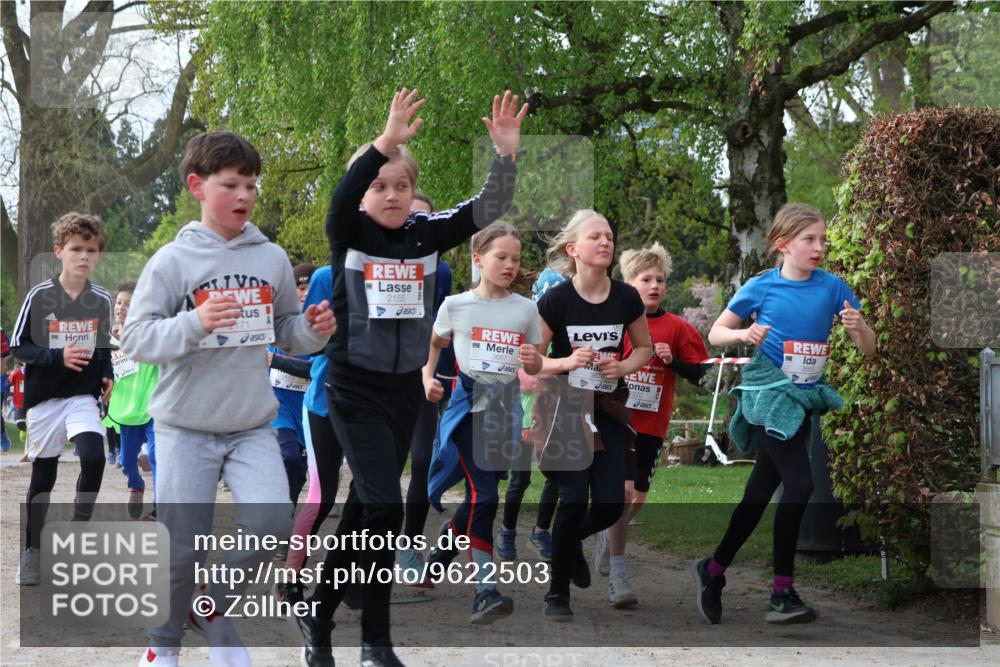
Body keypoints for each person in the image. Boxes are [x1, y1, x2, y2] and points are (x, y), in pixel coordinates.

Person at [297, 88, 525, 667]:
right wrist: (385, 142)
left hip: (403, 392)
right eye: (380, 185)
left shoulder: (426, 238)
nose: (392, 195)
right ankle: (375, 639)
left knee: (365, 509)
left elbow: (484, 207)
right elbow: (344, 196)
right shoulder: (349, 234)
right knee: (388, 508)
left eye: (402, 185)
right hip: (352, 386)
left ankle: (319, 613)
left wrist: (506, 157)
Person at [124, 130, 335, 667]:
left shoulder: (271, 257)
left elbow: (287, 330)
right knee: (180, 548)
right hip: (184, 426)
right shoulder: (172, 261)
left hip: (250, 425)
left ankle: (209, 606)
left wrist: (314, 330)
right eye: (231, 184)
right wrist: (194, 322)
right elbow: (137, 339)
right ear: (197, 186)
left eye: (251, 185)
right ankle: (162, 647)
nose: (244, 195)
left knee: (271, 527)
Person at [692, 203, 876, 626]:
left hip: (804, 397)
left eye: (823, 240)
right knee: (800, 482)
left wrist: (858, 328)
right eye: (809, 239)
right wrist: (744, 332)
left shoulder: (834, 288)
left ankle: (713, 570)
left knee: (758, 495)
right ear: (782, 245)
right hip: (769, 394)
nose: (819, 247)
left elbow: (869, 348)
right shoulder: (763, 287)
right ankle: (781, 592)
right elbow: (715, 332)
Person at [533, 209, 652, 621]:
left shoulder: (626, 297)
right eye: (595, 237)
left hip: (606, 408)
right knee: (571, 497)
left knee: (607, 506)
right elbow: (530, 360)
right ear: (573, 249)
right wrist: (565, 362)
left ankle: (566, 545)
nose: (606, 242)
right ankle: (557, 593)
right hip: (565, 408)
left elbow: (643, 348)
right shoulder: (556, 300)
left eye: (609, 236)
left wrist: (622, 367)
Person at [424, 222, 542, 623]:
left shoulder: (526, 310)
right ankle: (485, 592)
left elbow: (536, 361)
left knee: (481, 496)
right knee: (486, 496)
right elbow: (437, 343)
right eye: (501, 257)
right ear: (478, 259)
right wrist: (428, 376)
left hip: (504, 413)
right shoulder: (456, 306)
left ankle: (442, 549)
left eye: (516, 258)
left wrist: (538, 366)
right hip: (467, 412)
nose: (510, 265)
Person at [591, 242, 708, 607]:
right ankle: (620, 573)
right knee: (623, 494)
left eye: (660, 279)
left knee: (637, 497)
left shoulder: (677, 327)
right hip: (619, 423)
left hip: (653, 427)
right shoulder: (615, 323)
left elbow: (700, 373)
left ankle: (607, 535)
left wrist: (672, 363)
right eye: (646, 279)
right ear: (629, 283)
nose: (654, 285)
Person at [11, 212, 115, 585]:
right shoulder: (40, 297)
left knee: (94, 457)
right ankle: (32, 551)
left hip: (81, 397)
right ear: (59, 251)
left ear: (98, 255)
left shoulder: (101, 299)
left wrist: (107, 373)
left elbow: (103, 345)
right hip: (44, 401)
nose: (83, 256)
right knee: (44, 478)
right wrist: (58, 356)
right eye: (76, 249)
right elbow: (18, 347)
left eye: (91, 250)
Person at [397, 190, 456, 585]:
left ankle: (410, 543)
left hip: (424, 375)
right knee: (381, 466)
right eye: (410, 217)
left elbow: (443, 329)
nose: (417, 227)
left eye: (425, 219)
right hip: (379, 373)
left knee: (421, 460)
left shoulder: (444, 272)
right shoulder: (373, 261)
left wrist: (441, 376)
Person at [496, 269, 562, 562]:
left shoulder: (563, 331)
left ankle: (540, 531)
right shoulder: (522, 328)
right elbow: (517, 375)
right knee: (519, 481)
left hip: (553, 416)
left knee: (557, 475)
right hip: (523, 416)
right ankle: (507, 532)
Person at [105, 282, 160, 519]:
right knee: (127, 461)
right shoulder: (107, 340)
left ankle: (160, 508)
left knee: (157, 457)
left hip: (153, 406)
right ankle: (136, 485)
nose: (122, 307)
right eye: (119, 302)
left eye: (128, 303)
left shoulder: (149, 334)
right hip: (126, 410)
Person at [268, 263, 319, 509]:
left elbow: (315, 370)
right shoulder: (277, 322)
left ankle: (284, 519)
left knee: (299, 471)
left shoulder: (324, 327)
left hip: (310, 408)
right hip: (279, 407)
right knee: (289, 458)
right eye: (298, 288)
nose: (303, 293)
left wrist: (277, 360)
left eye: (308, 288)